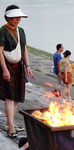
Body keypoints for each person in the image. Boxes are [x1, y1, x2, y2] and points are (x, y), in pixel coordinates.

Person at [0, 5, 34, 138]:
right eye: (15, 17)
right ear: (8, 17)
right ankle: (11, 127)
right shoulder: (2, 31)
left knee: (16, 98)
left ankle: (10, 123)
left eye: (19, 17)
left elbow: (24, 49)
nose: (18, 19)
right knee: (9, 97)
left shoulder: (21, 31)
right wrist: (4, 70)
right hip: (8, 66)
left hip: (19, 66)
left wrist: (28, 66)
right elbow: (0, 52)